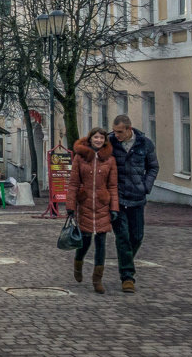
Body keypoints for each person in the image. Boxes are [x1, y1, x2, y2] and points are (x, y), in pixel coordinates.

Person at [109, 113, 159, 294]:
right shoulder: (110, 143)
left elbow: (153, 166)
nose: (116, 135)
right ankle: (127, 277)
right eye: (114, 131)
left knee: (136, 237)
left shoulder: (144, 144)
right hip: (117, 198)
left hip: (137, 198)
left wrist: (146, 186)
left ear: (129, 129)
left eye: (120, 132)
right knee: (122, 236)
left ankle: (125, 262)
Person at [66, 127, 119, 294]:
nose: (98, 140)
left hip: (103, 204)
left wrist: (114, 207)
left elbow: (112, 186)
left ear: (105, 141)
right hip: (86, 203)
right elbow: (73, 184)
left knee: (101, 243)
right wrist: (70, 206)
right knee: (86, 240)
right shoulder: (80, 158)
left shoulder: (109, 160)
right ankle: (78, 262)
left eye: (101, 138)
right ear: (90, 139)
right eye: (96, 137)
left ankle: (97, 279)